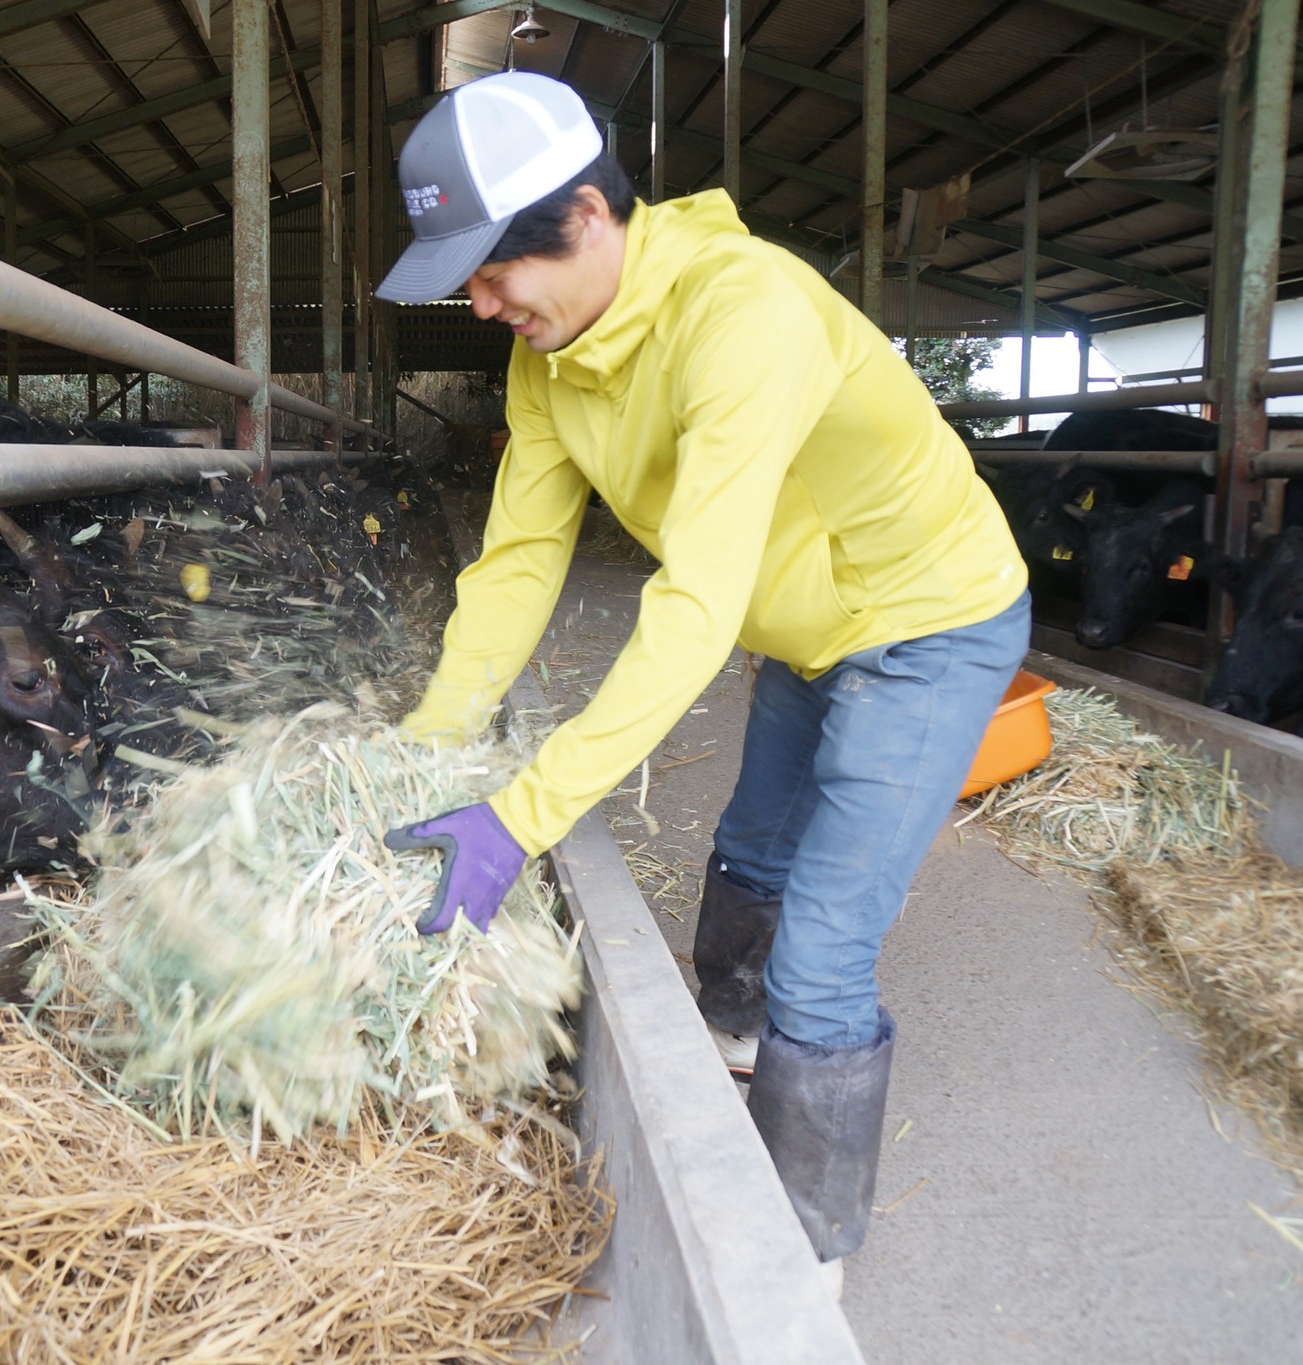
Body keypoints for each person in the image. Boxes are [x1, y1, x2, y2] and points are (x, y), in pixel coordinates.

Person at [376, 72, 1030, 1289]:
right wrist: (430, 739)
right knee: (752, 846)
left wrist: (520, 816)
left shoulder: (744, 314)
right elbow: (517, 565)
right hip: (802, 623)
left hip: (926, 620)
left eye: (488, 271)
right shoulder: (551, 360)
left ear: (582, 216)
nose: (476, 306)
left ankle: (798, 1255)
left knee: (825, 945)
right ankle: (730, 1034)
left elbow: (691, 612)